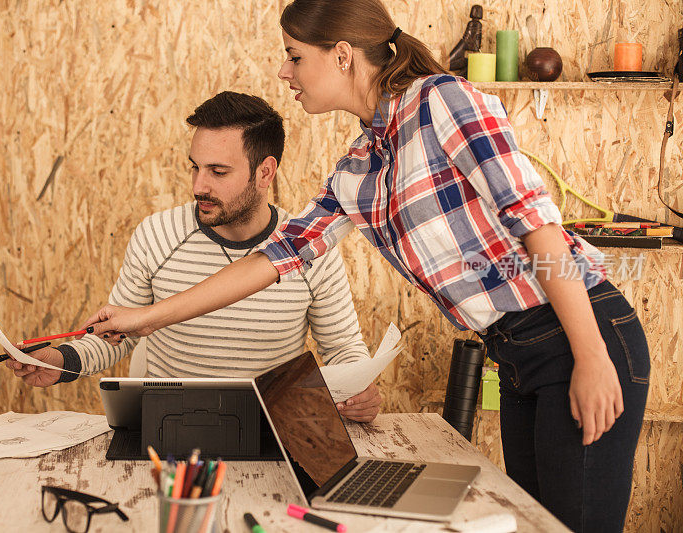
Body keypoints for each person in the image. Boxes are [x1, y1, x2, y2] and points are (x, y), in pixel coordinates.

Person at [81, 2, 649, 530]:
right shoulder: (359, 166)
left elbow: (539, 227)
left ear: (343, 54)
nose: (286, 72)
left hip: (578, 331)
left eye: (295, 56)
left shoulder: (442, 102)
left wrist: (592, 354)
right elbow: (273, 258)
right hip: (518, 355)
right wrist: (149, 317)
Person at [7, 90, 382, 423]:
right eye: (195, 167)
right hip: (170, 428)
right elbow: (117, 336)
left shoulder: (308, 247)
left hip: (270, 432)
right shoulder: (157, 235)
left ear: (265, 172)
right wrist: (59, 362)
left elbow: (343, 348)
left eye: (218, 171)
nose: (199, 186)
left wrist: (359, 386)